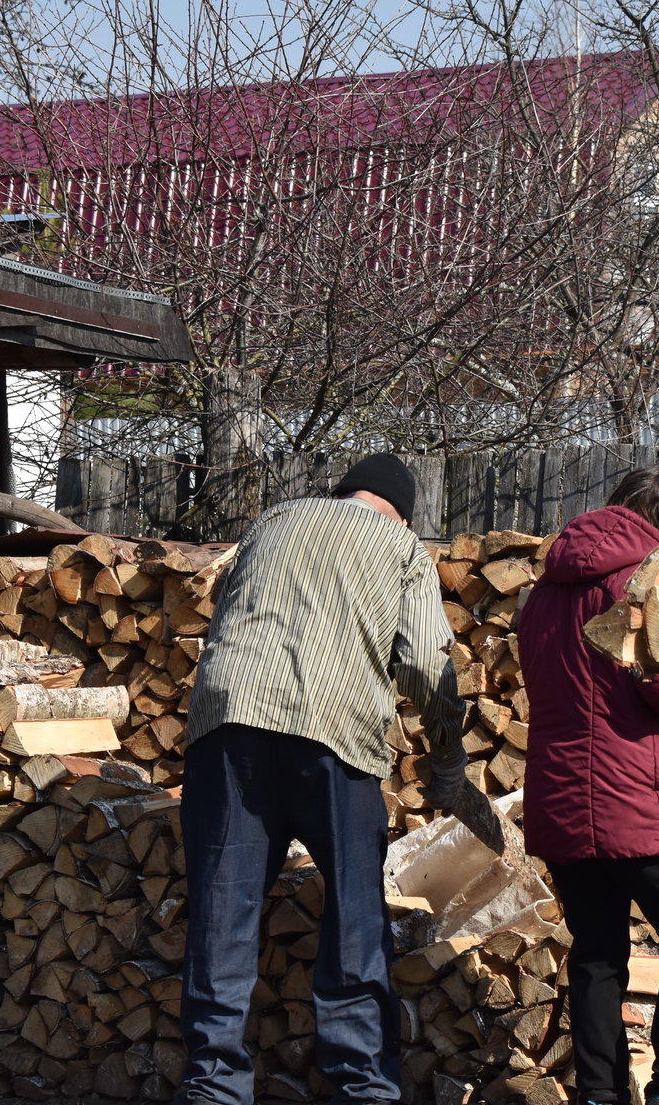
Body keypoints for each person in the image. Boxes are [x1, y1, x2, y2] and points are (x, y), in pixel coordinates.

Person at [176, 453, 494, 1105]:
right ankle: (363, 1087)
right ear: (402, 513)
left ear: (345, 492)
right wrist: (448, 762)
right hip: (333, 732)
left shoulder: (274, 520)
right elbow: (425, 662)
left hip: (228, 724)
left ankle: (212, 1088)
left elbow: (226, 612)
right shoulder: (401, 548)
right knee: (354, 915)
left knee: (222, 917)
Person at [518, 463, 659, 1105]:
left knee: (597, 950)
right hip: (635, 791)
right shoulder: (651, 578)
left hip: (560, 795)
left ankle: (599, 1094)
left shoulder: (543, 590)